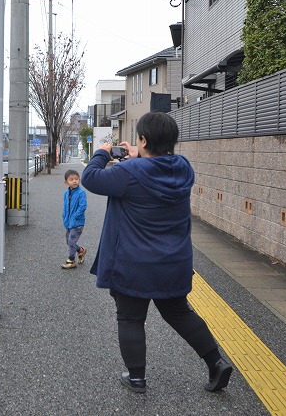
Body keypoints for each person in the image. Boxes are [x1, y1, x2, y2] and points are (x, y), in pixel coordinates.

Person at [80, 112, 233, 394]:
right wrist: (139, 155)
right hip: (173, 262)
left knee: (130, 318)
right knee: (180, 313)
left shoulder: (128, 173)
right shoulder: (183, 168)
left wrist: (102, 153)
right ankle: (216, 363)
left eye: (139, 139)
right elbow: (153, 167)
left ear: (144, 140)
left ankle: (137, 378)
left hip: (132, 265)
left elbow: (90, 178)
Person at [62, 169, 87, 269]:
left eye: (76, 179)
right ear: (66, 182)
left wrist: (76, 216)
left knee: (71, 241)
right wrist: (64, 217)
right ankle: (81, 250)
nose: (74, 181)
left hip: (78, 222)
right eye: (71, 179)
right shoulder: (66, 193)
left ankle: (71, 260)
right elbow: (65, 207)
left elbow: (83, 205)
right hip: (68, 222)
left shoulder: (81, 193)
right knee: (69, 241)